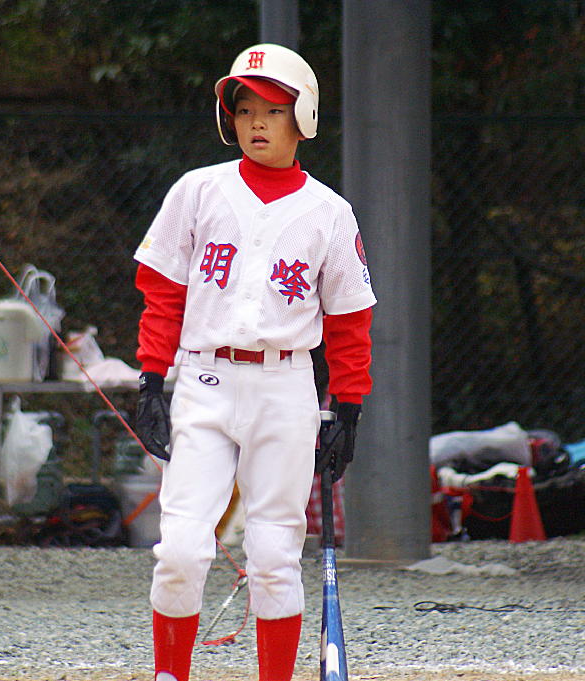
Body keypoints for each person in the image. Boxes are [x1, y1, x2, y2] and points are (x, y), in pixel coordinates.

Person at [133, 44, 375, 681]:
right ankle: (169, 674)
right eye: (244, 110)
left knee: (273, 555)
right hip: (205, 378)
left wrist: (348, 406)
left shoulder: (329, 212)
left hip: (285, 386)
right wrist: (151, 378)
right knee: (181, 549)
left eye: (272, 109)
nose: (256, 123)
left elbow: (350, 321)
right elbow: (163, 292)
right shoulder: (198, 191)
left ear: (303, 117)